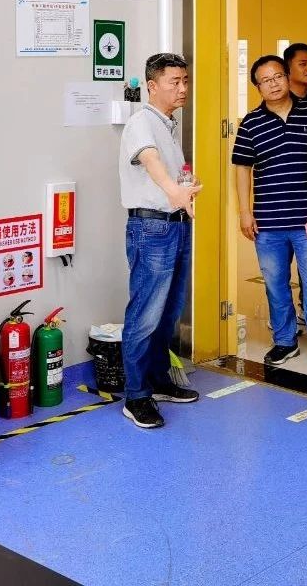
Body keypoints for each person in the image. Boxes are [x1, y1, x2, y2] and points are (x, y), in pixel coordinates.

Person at [232, 55, 307, 373]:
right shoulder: (251, 123)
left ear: (287, 77)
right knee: (276, 285)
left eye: (278, 76)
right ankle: (285, 342)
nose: (274, 84)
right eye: (266, 80)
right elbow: (242, 168)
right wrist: (245, 212)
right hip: (268, 222)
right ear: (257, 87)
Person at [116, 53, 202, 429]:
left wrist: (184, 187)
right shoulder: (141, 122)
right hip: (151, 229)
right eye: (174, 82)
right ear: (152, 86)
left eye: (185, 81)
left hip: (176, 226)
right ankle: (136, 396)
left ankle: (158, 380)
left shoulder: (168, 125)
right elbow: (150, 160)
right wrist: (174, 190)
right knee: (145, 314)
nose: (183, 88)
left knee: (168, 313)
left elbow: (167, 171)